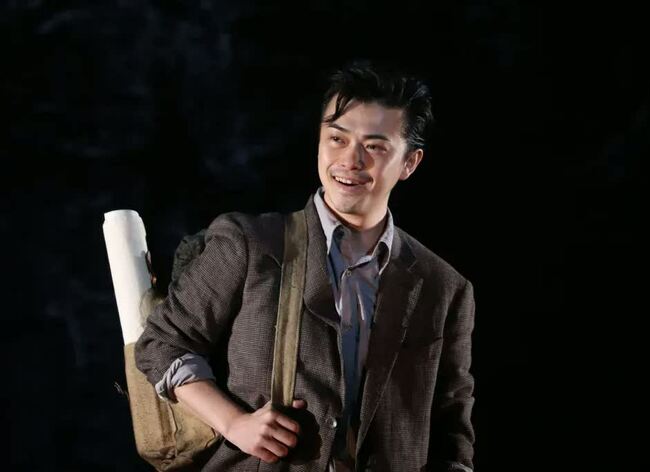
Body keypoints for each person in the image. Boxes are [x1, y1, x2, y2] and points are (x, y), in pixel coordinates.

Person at [135, 61, 476, 471]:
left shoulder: (444, 287)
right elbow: (162, 343)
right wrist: (235, 423)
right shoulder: (249, 244)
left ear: (409, 163)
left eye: (375, 147)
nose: (350, 160)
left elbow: (452, 427)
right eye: (337, 138)